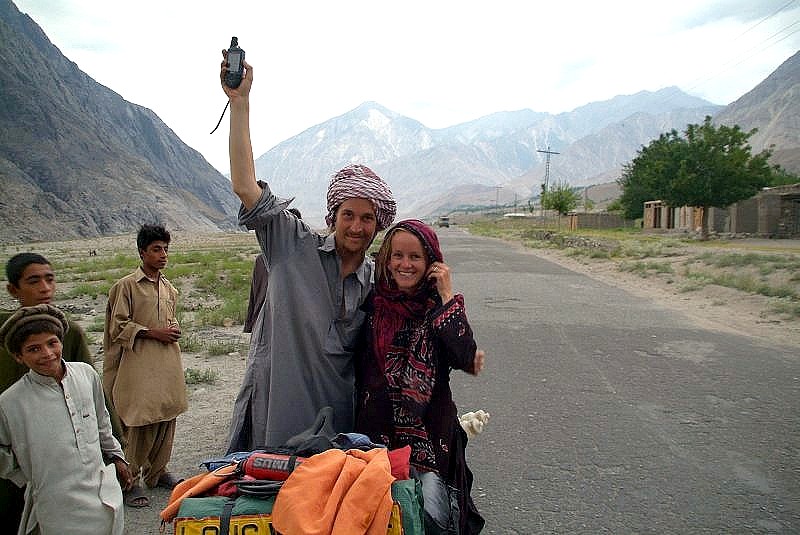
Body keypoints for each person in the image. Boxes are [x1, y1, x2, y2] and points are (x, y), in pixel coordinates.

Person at [221, 52, 397, 452]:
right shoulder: (291, 245)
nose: (357, 226)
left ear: (378, 222)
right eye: (348, 215)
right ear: (333, 216)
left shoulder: (374, 280)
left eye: (367, 218)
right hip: (276, 417)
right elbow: (246, 186)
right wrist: (240, 103)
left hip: (340, 424)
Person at [354, 219, 486, 534]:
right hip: (376, 438)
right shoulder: (372, 305)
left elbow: (464, 355)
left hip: (431, 442)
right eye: (397, 255)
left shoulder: (439, 309)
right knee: (382, 520)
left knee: (430, 520)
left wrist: (447, 297)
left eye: (415, 257)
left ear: (431, 262)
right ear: (386, 259)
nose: (405, 264)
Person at [0, 253, 123, 528]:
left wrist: (116, 452)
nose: (44, 288)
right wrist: (23, 474)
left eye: (49, 279)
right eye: (34, 281)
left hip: (71, 468)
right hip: (23, 454)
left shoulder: (69, 335)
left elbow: (94, 401)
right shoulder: (10, 397)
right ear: (13, 289)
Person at [103, 224, 188, 508]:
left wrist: (172, 328)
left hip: (166, 364)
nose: (163, 255)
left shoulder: (168, 288)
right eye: (156, 249)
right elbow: (118, 327)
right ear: (142, 252)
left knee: (167, 415)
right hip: (138, 364)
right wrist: (153, 333)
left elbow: (170, 318)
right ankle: (131, 479)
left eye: (165, 249)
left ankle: (158, 472)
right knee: (139, 419)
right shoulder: (126, 286)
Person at [242, 207, 302, 334]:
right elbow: (255, 291)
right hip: (268, 324)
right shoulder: (262, 260)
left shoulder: (262, 259)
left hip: (272, 325)